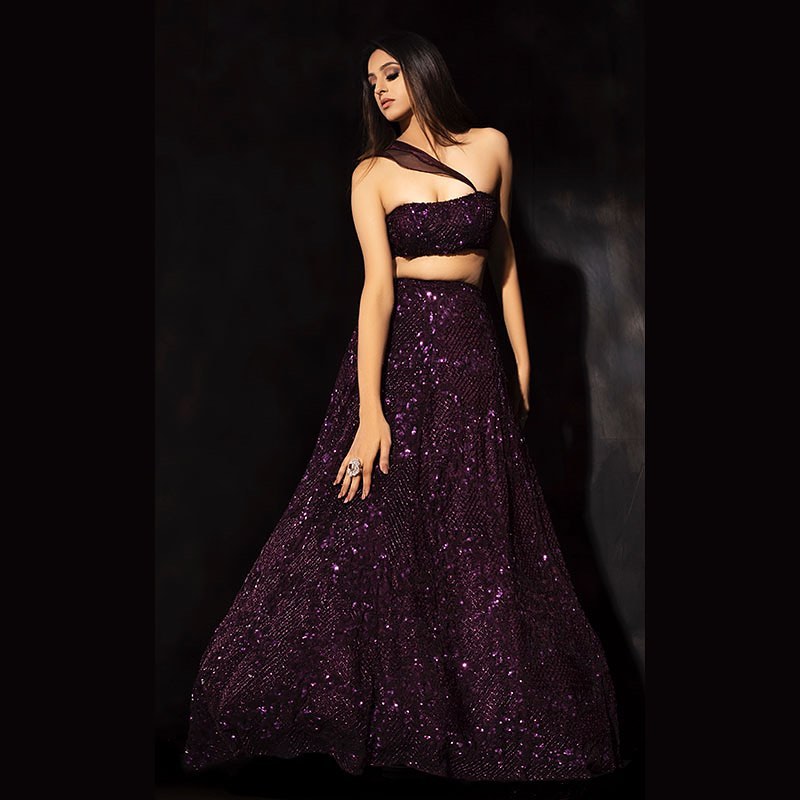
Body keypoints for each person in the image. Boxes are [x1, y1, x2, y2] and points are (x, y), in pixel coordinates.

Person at [183, 30, 622, 784]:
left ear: (423, 72)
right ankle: (351, 709)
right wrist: (369, 412)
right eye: (372, 80)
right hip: (400, 358)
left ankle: (478, 714)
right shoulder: (372, 174)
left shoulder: (490, 147)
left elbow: (504, 260)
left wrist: (521, 362)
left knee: (476, 528)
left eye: (390, 73)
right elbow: (378, 292)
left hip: (471, 354)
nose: (381, 88)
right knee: (373, 526)